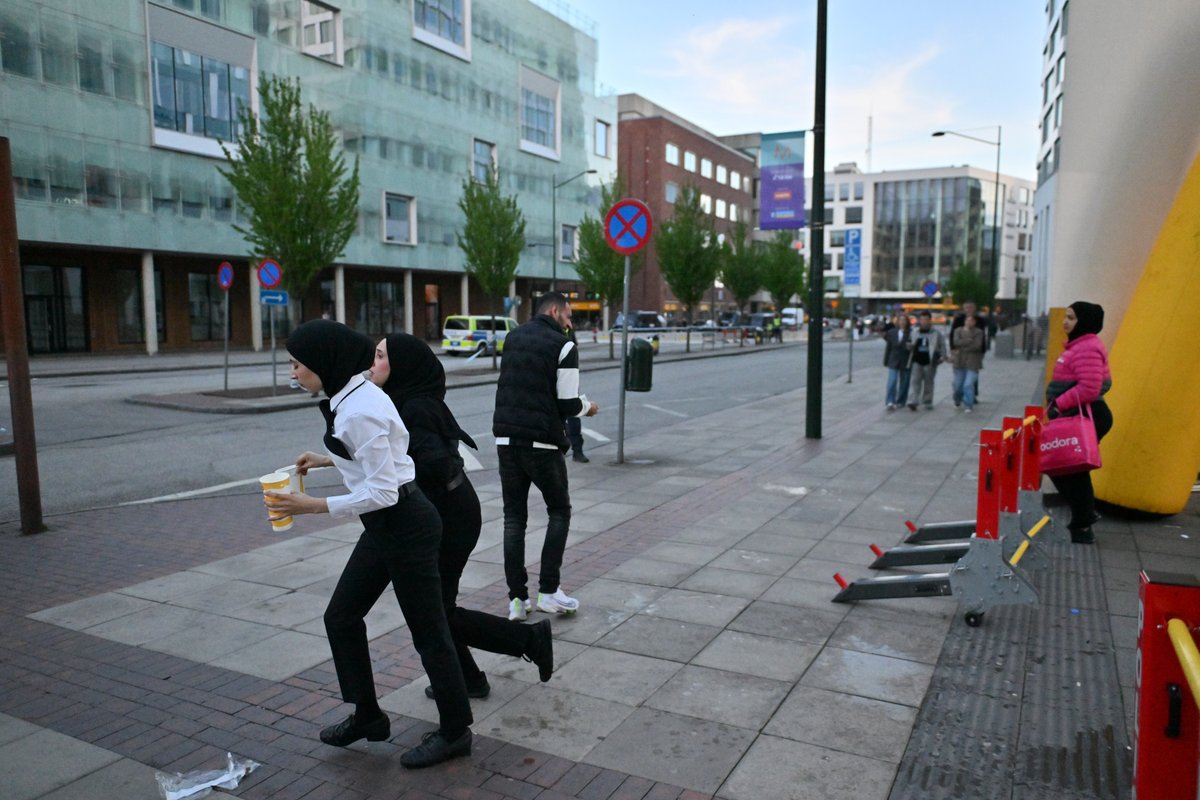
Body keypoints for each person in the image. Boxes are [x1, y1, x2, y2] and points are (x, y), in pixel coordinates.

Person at [265, 320, 472, 770]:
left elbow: (384, 491)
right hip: (387, 525)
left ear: (323, 363)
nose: (293, 372)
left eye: (297, 364)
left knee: (429, 633)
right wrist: (329, 459)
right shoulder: (354, 395)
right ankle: (368, 716)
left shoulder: (358, 409)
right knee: (341, 617)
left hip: (405, 523)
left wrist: (313, 506)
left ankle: (456, 731)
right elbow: (383, 455)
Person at [369, 333, 554, 698]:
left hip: (449, 516)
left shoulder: (415, 408)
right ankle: (471, 678)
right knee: (437, 608)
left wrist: (403, 483)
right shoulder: (409, 400)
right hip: (451, 509)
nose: (371, 364)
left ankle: (527, 640)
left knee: (435, 610)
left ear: (402, 365)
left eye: (378, 356)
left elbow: (434, 464)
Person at [493, 292, 599, 621]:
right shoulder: (563, 346)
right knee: (559, 512)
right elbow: (567, 403)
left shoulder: (513, 338)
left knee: (514, 519)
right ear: (554, 311)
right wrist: (588, 407)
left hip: (507, 440)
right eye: (569, 316)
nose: (570, 324)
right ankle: (549, 591)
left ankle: (517, 600)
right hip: (542, 443)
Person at [1044, 301, 1114, 544]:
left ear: (1084, 322)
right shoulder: (1081, 345)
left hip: (1085, 416)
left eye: (1071, 318)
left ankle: (1084, 520)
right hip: (1080, 416)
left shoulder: (1086, 347)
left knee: (1064, 466)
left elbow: (1090, 388)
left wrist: (1058, 404)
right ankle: (1083, 521)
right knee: (1071, 469)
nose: (1065, 322)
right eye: (1066, 316)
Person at [907, 310, 945, 410]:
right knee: (915, 381)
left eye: (926, 320)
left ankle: (927, 401)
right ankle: (913, 401)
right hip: (917, 360)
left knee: (928, 382)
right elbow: (909, 342)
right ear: (919, 320)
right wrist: (909, 346)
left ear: (930, 320)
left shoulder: (936, 333)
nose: (924, 322)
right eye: (922, 320)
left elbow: (942, 345)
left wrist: (942, 356)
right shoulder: (915, 331)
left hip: (930, 360)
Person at [562, 324, 589, 463]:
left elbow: (573, 348)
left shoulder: (567, 328)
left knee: (573, 414)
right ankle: (573, 448)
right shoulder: (553, 329)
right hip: (556, 377)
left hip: (568, 377)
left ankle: (577, 450)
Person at [950, 314, 985, 412]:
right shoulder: (958, 330)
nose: (969, 322)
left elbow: (977, 346)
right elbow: (956, 342)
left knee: (968, 384)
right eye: (967, 320)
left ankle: (968, 404)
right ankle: (957, 399)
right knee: (957, 385)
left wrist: (963, 345)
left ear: (974, 322)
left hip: (973, 363)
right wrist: (968, 340)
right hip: (959, 362)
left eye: (971, 321)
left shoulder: (978, 332)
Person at [882, 313, 913, 411]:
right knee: (892, 380)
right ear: (897, 321)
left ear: (907, 322)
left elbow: (914, 346)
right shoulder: (892, 332)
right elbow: (888, 346)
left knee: (905, 382)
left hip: (906, 360)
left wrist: (911, 347)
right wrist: (886, 360)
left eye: (904, 320)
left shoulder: (911, 333)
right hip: (893, 359)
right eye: (900, 320)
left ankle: (901, 401)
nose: (902, 322)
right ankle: (890, 401)